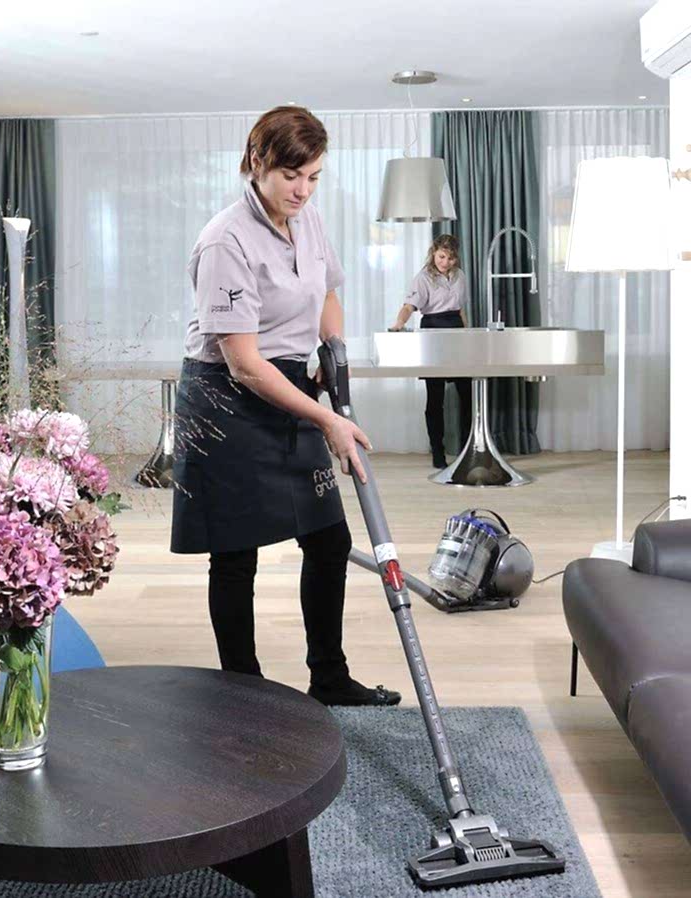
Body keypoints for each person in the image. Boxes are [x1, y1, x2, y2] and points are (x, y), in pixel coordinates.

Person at [170, 106, 401, 707]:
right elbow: (244, 363)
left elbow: (327, 292)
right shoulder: (225, 240)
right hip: (225, 401)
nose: (302, 190)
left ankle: (329, 679)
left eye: (314, 176)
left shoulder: (309, 219)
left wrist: (333, 350)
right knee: (234, 555)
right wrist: (327, 417)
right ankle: (245, 695)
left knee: (328, 540)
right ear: (257, 163)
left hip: (290, 385)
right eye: (291, 175)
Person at [389, 234, 475, 469]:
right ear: (434, 253)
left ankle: (468, 450)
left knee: (467, 395)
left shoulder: (460, 276)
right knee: (435, 398)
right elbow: (409, 306)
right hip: (433, 332)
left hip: (456, 332)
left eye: (451, 258)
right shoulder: (423, 278)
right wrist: (399, 323)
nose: (445, 262)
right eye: (442, 256)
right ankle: (438, 452)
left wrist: (467, 334)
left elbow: (460, 310)